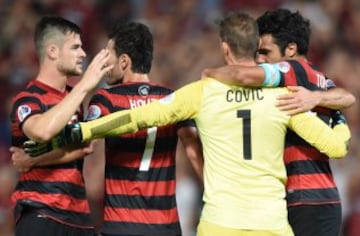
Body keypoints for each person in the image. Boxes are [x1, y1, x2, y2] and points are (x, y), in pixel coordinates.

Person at [43, 11, 351, 236]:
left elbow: (138, 117)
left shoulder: (201, 92)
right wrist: (337, 118)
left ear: (225, 48)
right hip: (271, 224)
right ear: (256, 49)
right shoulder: (283, 97)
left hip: (219, 224)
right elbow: (336, 147)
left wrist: (82, 129)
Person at [201, 9, 356, 236]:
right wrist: (318, 97)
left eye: (265, 51)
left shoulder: (289, 69)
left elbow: (243, 75)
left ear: (290, 50)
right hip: (325, 198)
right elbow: (348, 97)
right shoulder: (320, 78)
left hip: (301, 197)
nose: (260, 59)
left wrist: (210, 73)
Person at [84, 21, 203, 236]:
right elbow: (193, 150)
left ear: (124, 61)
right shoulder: (173, 99)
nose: (104, 64)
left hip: (121, 226)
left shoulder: (107, 99)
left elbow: (84, 147)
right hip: (165, 227)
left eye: (108, 56)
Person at [9, 16, 112, 236]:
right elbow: (42, 131)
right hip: (41, 211)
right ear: (53, 51)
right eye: (75, 47)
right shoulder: (28, 99)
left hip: (79, 215)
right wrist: (84, 85)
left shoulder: (74, 102)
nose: (83, 54)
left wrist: (33, 157)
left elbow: (82, 147)